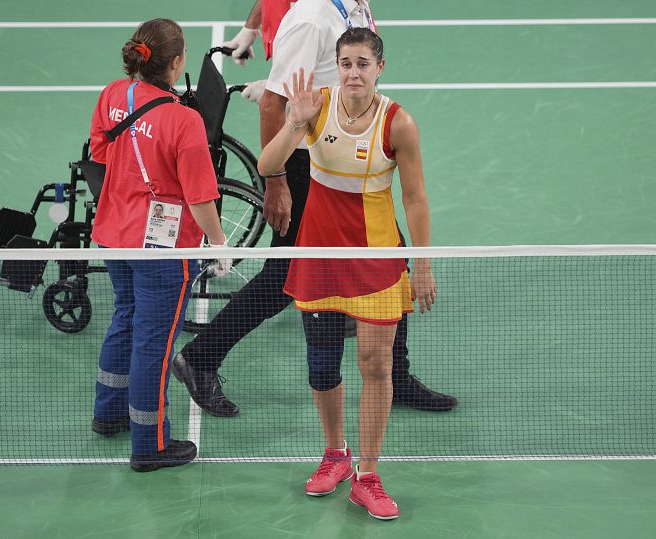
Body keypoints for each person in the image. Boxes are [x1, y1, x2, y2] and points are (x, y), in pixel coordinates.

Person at [172, 0, 457, 418]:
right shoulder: (311, 19)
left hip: (350, 160)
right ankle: (199, 358)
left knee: (388, 254)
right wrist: (276, 182)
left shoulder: (353, 7)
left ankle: (396, 375)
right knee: (284, 275)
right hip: (310, 165)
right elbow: (274, 104)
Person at [257, 27, 428, 520]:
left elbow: (415, 200)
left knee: (376, 365)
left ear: (379, 68)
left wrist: (424, 264)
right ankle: (335, 453)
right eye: (346, 63)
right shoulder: (316, 108)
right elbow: (270, 165)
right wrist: (294, 124)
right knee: (322, 366)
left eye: (363, 63)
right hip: (320, 257)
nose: (354, 72)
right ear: (339, 66)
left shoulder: (399, 124)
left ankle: (368, 475)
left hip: (377, 262)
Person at [88, 18, 230, 473]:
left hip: (113, 233)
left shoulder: (114, 94)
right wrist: (219, 242)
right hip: (161, 251)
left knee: (125, 316)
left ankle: (108, 414)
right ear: (177, 63)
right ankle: (149, 444)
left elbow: (99, 154)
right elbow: (200, 196)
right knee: (155, 341)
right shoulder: (184, 120)